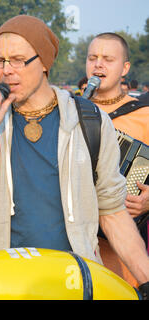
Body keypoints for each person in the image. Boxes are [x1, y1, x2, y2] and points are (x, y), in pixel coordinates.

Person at [0, 15, 149, 295]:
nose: (6, 71)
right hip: (2, 283)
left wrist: (145, 277)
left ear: (43, 63)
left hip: (72, 282)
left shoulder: (89, 121)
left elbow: (112, 213)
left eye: (17, 60)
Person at [86, 32, 149, 287]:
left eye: (107, 59)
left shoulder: (143, 116)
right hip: (75, 251)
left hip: (122, 257)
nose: (98, 64)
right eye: (93, 58)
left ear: (124, 68)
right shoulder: (71, 110)